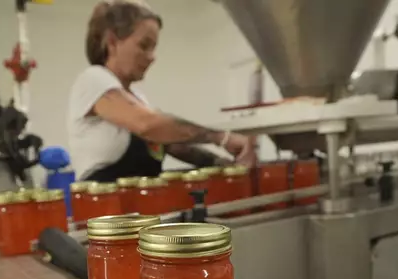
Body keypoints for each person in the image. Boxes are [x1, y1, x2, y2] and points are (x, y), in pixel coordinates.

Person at [67, 0, 256, 182]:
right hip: (105, 210)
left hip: (141, 208)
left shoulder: (138, 99)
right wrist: (222, 137)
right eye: (144, 45)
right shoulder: (93, 79)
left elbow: (172, 145)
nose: (152, 57)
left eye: (154, 48)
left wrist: (223, 165)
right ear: (112, 42)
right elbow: (148, 125)